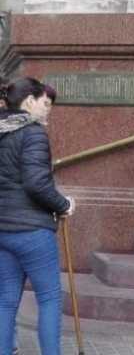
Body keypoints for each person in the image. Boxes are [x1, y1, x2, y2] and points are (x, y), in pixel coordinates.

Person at [0, 78, 75, 355]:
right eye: (45, 103)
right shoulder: (32, 133)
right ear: (29, 101)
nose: (47, 110)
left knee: (6, 301)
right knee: (49, 298)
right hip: (31, 230)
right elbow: (36, 184)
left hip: (3, 230)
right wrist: (63, 204)